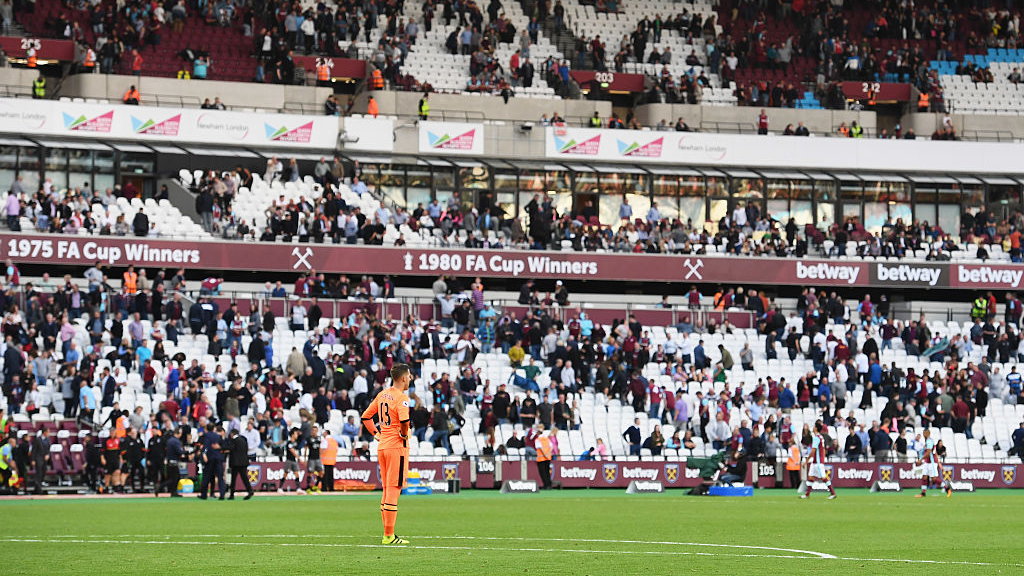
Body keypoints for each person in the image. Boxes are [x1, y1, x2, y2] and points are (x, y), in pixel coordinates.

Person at [361, 363, 413, 545]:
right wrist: (404, 434)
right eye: (410, 376)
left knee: (386, 490)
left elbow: (366, 416)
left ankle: (388, 534)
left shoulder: (382, 394)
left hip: (383, 447)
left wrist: (376, 434)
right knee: (393, 489)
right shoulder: (402, 397)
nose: (411, 379)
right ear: (403, 378)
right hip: (396, 448)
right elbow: (405, 420)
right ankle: (389, 536)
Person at [801, 420, 836, 499]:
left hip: (818, 462)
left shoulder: (816, 438)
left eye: (814, 427)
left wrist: (806, 462)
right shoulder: (820, 437)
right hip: (816, 461)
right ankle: (807, 494)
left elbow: (813, 451)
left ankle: (833, 493)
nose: (812, 428)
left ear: (816, 428)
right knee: (810, 477)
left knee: (823, 477)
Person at [916, 428, 951, 498]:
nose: (923, 434)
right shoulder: (927, 441)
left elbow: (928, 453)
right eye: (923, 433)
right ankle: (923, 493)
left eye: (925, 433)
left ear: (928, 433)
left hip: (932, 462)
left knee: (934, 479)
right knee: (924, 477)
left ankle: (947, 488)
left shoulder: (929, 441)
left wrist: (920, 460)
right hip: (927, 462)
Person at [226, 428, 254, 500]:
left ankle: (232, 494)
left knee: (233, 479)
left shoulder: (234, 441)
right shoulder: (243, 439)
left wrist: (221, 448)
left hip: (236, 463)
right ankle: (250, 490)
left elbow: (230, 448)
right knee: (244, 478)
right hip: (243, 461)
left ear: (232, 434)